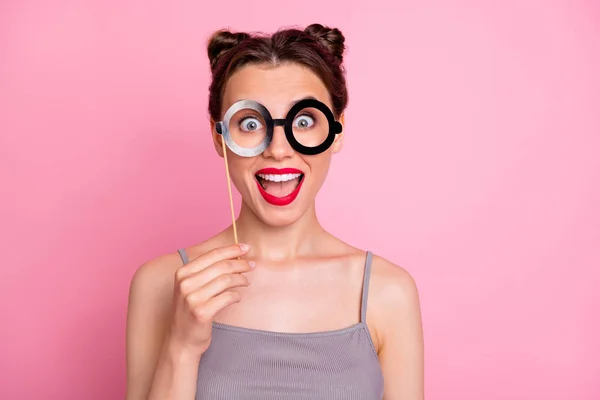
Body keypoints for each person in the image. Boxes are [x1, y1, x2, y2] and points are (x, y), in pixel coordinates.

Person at [126, 23, 424, 400]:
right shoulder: (162, 284)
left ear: (337, 131)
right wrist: (182, 347)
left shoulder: (388, 291)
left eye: (304, 121)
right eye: (250, 123)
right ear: (220, 137)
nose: (279, 150)